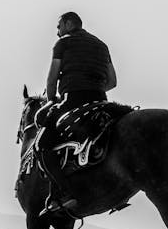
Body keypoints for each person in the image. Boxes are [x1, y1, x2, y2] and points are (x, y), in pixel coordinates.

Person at [36, 12, 117, 214]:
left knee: (41, 145)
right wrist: (95, 89)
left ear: (69, 23)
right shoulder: (102, 45)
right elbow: (113, 82)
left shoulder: (63, 43)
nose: (57, 31)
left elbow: (51, 80)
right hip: (100, 100)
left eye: (59, 26)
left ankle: (64, 193)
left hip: (73, 100)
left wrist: (52, 101)